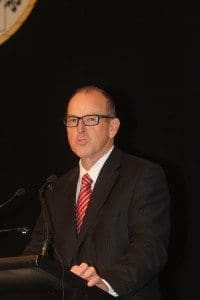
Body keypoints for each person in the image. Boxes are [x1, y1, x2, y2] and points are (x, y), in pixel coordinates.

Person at [25, 85, 170, 299]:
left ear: (113, 127)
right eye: (73, 120)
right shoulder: (56, 190)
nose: (79, 129)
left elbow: (149, 247)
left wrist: (106, 282)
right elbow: (35, 254)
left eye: (91, 119)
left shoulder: (142, 175)